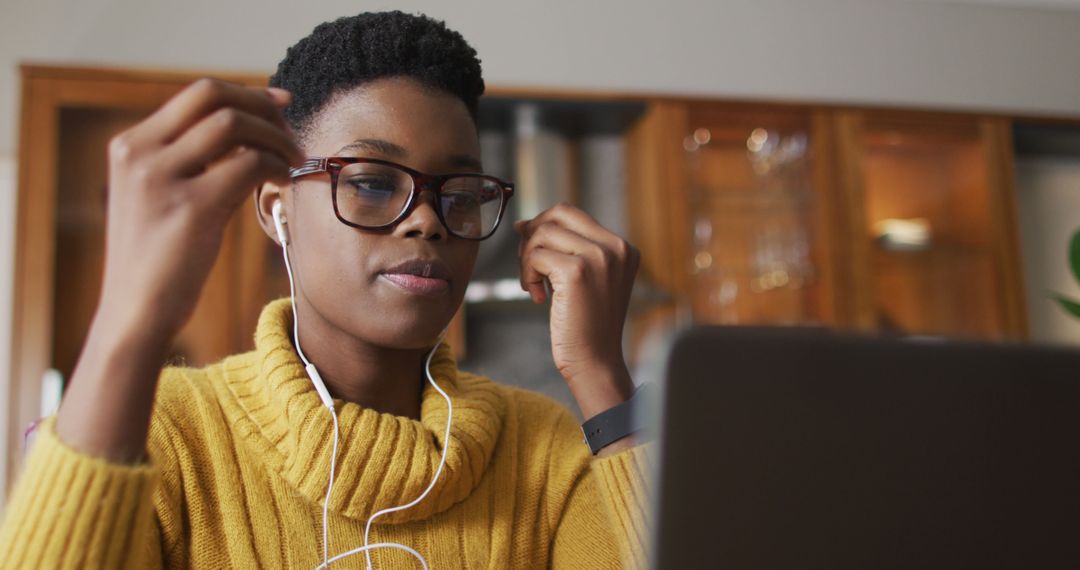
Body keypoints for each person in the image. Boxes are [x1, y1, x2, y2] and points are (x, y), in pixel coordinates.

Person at [0, 11, 649, 569]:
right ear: (277, 210)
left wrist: (599, 375)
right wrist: (129, 320)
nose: (426, 218)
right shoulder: (164, 430)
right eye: (370, 181)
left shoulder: (544, 452)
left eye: (459, 192)